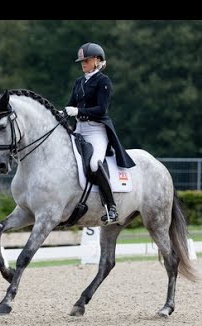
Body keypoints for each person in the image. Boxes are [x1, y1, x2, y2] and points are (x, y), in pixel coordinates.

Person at [64, 42, 136, 224]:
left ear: (97, 61)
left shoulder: (103, 81)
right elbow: (71, 105)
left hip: (96, 130)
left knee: (95, 164)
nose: (83, 64)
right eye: (81, 61)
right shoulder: (79, 82)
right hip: (78, 129)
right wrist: (62, 113)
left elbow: (101, 109)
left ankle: (111, 207)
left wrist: (78, 112)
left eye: (86, 60)